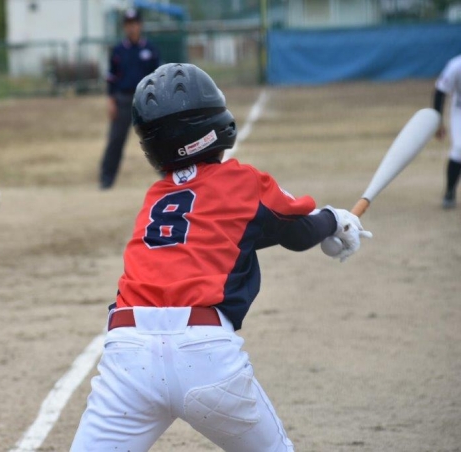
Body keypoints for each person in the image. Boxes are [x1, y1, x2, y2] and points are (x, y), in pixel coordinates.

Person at [71, 63, 372, 451]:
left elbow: (228, 240)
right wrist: (335, 220)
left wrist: (329, 224)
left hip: (127, 356)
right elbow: (298, 234)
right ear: (216, 123)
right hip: (205, 355)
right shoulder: (243, 181)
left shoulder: (156, 198)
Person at [99, 8, 160, 190]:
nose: (132, 28)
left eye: (134, 24)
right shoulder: (118, 50)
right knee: (115, 140)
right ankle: (106, 179)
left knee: (157, 138)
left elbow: (157, 78)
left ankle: (169, 174)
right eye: (128, 24)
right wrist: (111, 101)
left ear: (140, 25)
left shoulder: (150, 49)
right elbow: (111, 78)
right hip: (124, 100)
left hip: (145, 101)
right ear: (124, 27)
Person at [433, 54, 461, 209]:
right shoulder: (456, 65)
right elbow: (440, 91)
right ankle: (450, 191)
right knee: (459, 149)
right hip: (459, 111)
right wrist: (438, 121)